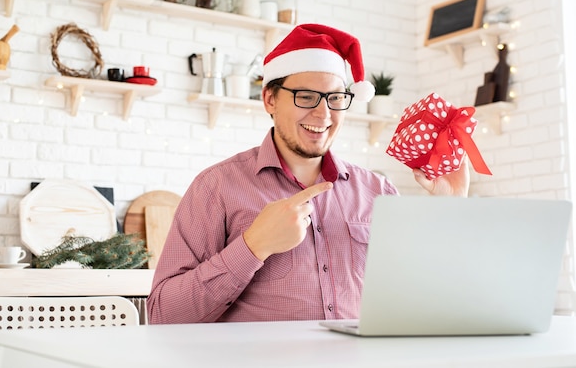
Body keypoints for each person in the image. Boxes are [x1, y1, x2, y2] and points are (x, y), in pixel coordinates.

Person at [147, 23, 469, 324]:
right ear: (269, 99)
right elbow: (163, 314)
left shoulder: (377, 191)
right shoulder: (215, 188)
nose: (323, 113)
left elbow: (423, 297)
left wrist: (450, 209)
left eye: (336, 98)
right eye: (305, 97)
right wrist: (253, 245)